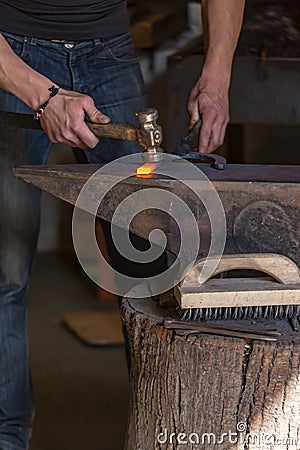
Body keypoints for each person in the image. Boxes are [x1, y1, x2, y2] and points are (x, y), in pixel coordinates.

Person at [0, 1, 245, 449]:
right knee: (5, 270)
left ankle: (167, 430)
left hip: (107, 49)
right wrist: (43, 95)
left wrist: (217, 75)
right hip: (10, 48)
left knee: (156, 269)